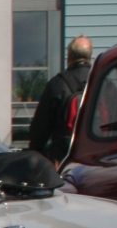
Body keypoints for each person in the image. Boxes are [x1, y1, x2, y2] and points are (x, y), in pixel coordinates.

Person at [28, 35, 94, 163]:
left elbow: (39, 129)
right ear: (90, 57)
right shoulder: (104, 83)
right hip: (97, 159)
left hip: (64, 160)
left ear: (69, 56)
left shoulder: (57, 84)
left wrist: (36, 153)